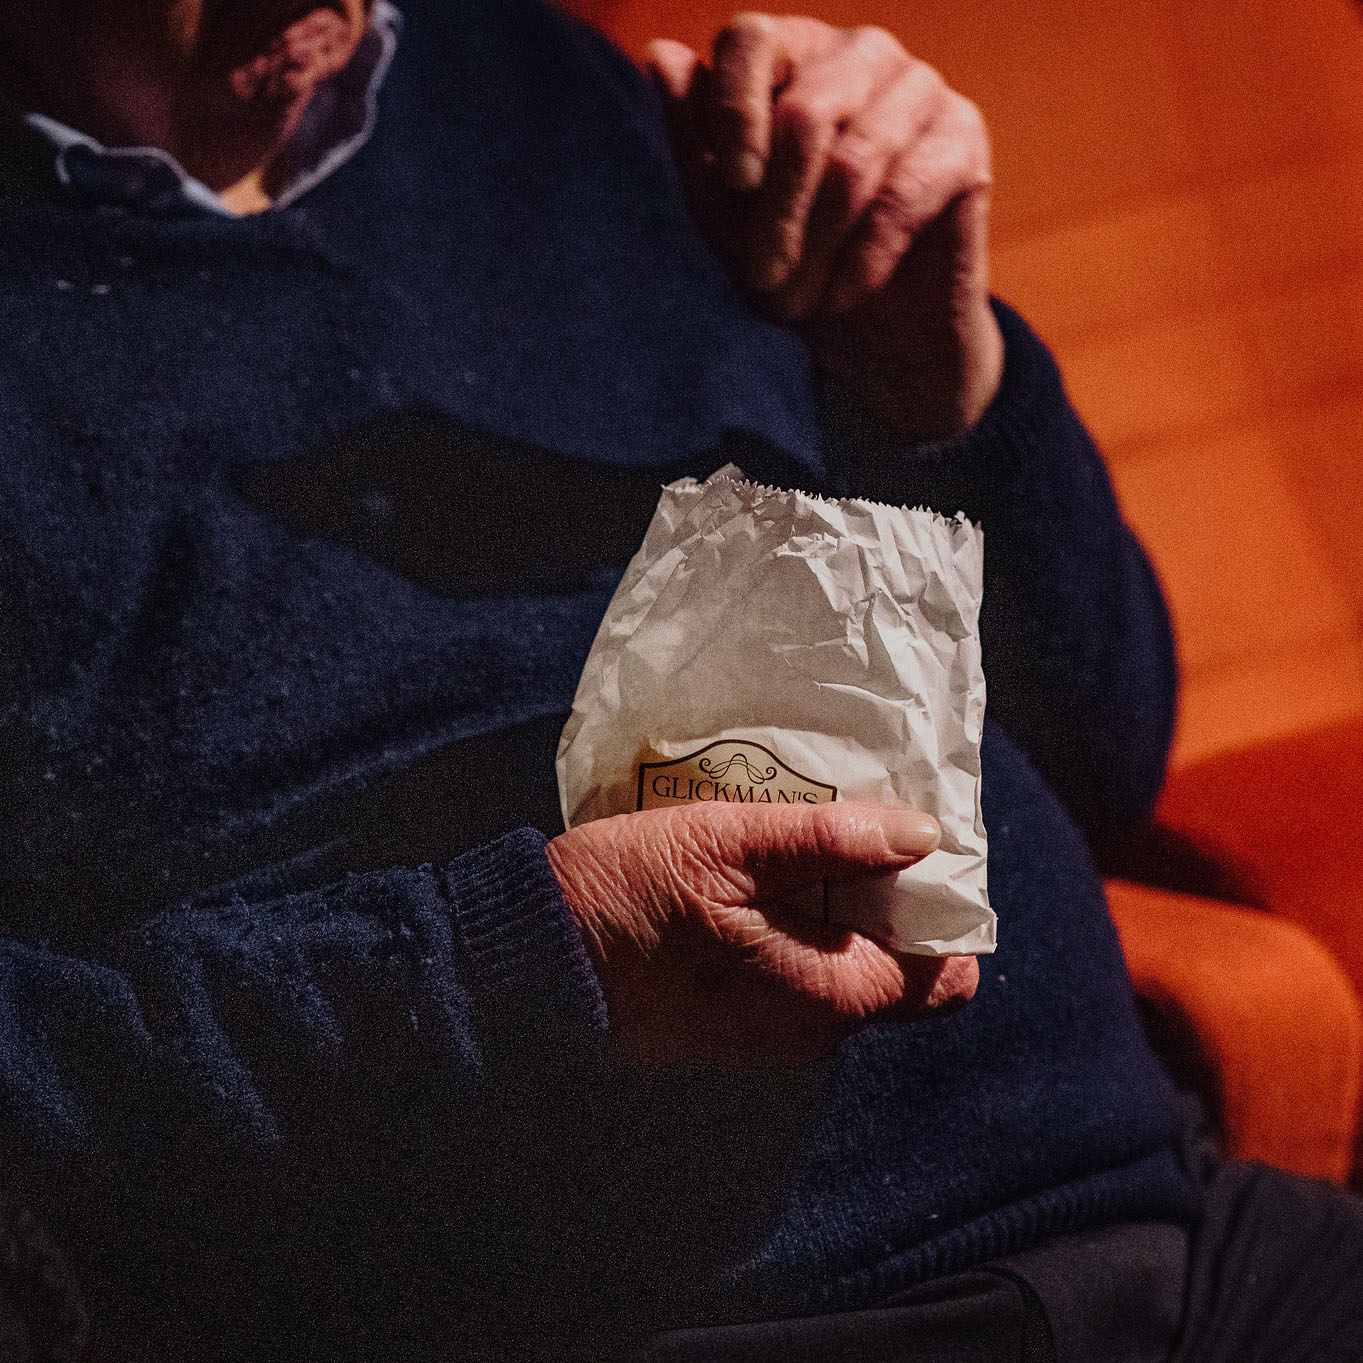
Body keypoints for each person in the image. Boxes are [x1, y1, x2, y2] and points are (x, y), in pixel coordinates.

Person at [0, 2, 1360, 1360]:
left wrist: (938, 391)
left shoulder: (555, 91)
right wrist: (538, 965)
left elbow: (1110, 752)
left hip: (1169, 1236)